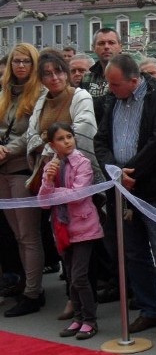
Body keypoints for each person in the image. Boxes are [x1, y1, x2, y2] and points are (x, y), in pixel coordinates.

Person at [94, 53, 156, 342]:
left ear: (134, 81)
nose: (110, 89)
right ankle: (150, 309)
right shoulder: (112, 101)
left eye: (115, 83)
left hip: (155, 188)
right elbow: (100, 140)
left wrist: (131, 171)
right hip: (122, 189)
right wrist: (116, 172)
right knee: (134, 253)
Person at [39, 121, 103, 340]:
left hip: (84, 227)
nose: (66, 141)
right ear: (52, 144)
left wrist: (54, 191)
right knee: (70, 277)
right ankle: (77, 317)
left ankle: (90, 320)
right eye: (60, 139)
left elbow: (79, 194)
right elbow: (43, 202)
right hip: (62, 228)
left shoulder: (82, 163)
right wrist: (48, 180)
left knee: (80, 277)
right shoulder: (50, 166)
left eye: (69, 136)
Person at [0, 43, 47, 318]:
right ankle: (26, 283)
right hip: (2, 170)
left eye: (26, 61)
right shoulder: (4, 93)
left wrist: (7, 150)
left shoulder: (39, 94)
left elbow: (33, 133)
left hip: (22, 168)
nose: (20, 66)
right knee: (16, 234)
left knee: (29, 234)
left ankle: (34, 292)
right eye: (16, 61)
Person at [81, 27, 122, 123]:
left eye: (111, 42)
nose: (106, 47)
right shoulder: (86, 79)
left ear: (120, 47)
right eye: (101, 43)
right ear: (93, 48)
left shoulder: (128, 75)